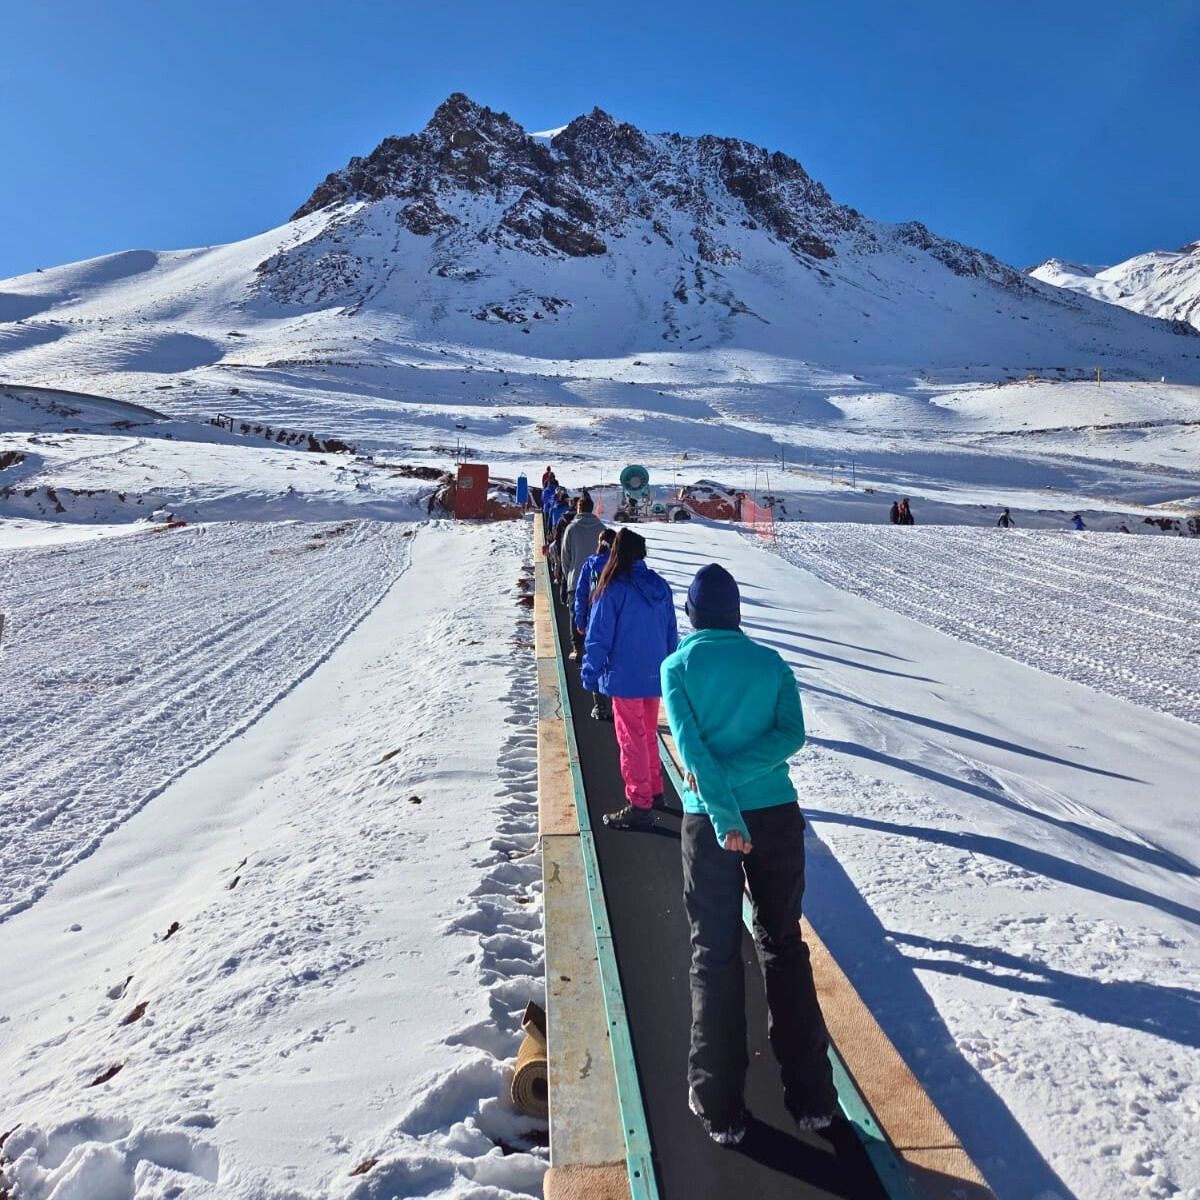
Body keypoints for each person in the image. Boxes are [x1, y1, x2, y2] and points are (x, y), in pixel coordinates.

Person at [661, 563, 836, 1146]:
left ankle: (719, 1103)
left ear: (692, 614)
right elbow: (791, 737)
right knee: (783, 944)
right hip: (778, 817)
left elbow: (688, 748)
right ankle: (812, 1096)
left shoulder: (678, 666)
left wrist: (724, 807)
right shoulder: (772, 664)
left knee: (713, 954)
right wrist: (741, 789)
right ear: (736, 613)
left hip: (710, 821)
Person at [581, 529, 678, 829]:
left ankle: (639, 803)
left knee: (630, 739)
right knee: (648, 733)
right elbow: (670, 633)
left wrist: (590, 672)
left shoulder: (613, 589)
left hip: (625, 677)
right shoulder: (660, 587)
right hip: (655, 675)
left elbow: (599, 636)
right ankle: (654, 789)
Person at [573, 527, 615, 717]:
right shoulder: (620, 566)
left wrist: (580, 619)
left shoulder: (590, 565)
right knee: (615, 660)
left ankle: (599, 705)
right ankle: (616, 702)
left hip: (593, 619)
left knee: (595, 658)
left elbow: (581, 594)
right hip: (617, 621)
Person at [561, 498, 605, 652]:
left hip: (575, 577)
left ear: (578, 508)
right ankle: (593, 647)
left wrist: (569, 575)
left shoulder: (571, 528)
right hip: (598, 580)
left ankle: (577, 648)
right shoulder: (601, 527)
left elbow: (565, 556)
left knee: (575, 613)